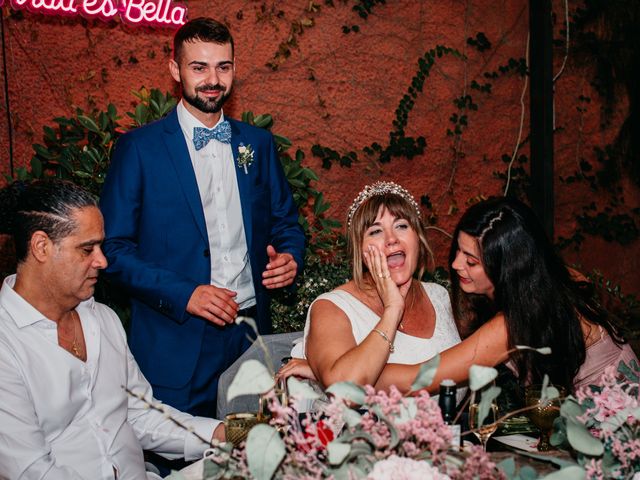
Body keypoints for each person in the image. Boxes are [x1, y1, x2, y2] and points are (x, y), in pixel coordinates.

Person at [99, 17, 305, 417]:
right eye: (199, 67)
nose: (213, 79)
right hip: (175, 340)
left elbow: (286, 223)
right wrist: (185, 294)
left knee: (247, 453)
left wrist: (290, 257)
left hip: (249, 336)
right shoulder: (138, 150)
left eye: (223, 67)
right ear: (176, 70)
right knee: (179, 462)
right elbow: (112, 249)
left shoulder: (257, 144)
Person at [281, 196, 638, 394]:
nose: (455, 264)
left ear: (507, 269)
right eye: (457, 252)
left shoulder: (512, 323)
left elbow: (422, 376)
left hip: (617, 430)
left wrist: (327, 371)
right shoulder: (547, 283)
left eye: (471, 260)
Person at [0, 180, 224, 479]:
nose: (102, 261)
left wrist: (227, 433)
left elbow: (137, 412)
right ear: (41, 246)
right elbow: (30, 471)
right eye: (87, 249)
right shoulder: (6, 342)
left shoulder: (102, 318)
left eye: (101, 246)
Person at [287, 181, 463, 390]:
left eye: (401, 226)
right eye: (375, 231)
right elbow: (344, 392)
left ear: (419, 237)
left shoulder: (439, 295)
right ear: (359, 249)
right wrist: (393, 310)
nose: (391, 239)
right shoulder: (331, 308)